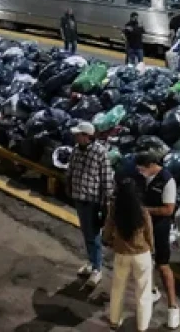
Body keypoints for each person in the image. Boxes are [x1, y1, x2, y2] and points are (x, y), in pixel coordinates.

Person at [134, 153, 180, 330]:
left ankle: (173, 307)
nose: (141, 172)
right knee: (145, 261)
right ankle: (152, 291)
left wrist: (145, 210)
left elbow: (168, 210)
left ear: (152, 165)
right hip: (144, 226)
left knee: (163, 266)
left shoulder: (167, 181)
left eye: (143, 168)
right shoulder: (141, 178)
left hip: (160, 228)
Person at [66, 121, 114, 288]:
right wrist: (69, 186)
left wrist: (106, 204)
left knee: (93, 235)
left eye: (78, 134)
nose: (76, 136)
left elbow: (107, 178)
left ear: (87, 136)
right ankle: (91, 262)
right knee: (87, 233)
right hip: (79, 198)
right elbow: (70, 170)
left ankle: (97, 269)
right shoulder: (76, 150)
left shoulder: (100, 153)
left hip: (93, 201)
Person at [103, 179, 155, 332]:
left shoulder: (115, 208)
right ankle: (142, 326)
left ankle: (114, 321)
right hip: (141, 254)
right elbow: (149, 233)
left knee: (118, 288)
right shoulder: (142, 210)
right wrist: (151, 249)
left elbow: (108, 228)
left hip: (121, 253)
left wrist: (107, 240)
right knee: (143, 292)